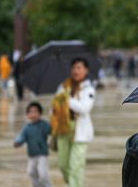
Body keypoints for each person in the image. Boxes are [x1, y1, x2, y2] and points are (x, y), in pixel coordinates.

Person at [51, 57, 95, 187]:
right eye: (74, 68)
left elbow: (84, 108)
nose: (76, 71)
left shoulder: (89, 89)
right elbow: (55, 106)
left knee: (76, 166)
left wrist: (67, 100)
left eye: (79, 68)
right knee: (63, 165)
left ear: (86, 70)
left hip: (80, 134)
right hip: (63, 130)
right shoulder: (63, 87)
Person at [14, 102, 53, 187]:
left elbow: (52, 130)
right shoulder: (27, 128)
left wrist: (53, 118)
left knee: (42, 173)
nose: (33, 114)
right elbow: (21, 136)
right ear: (27, 115)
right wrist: (18, 142)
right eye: (30, 112)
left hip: (42, 154)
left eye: (35, 112)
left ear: (40, 113)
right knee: (31, 172)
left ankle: (48, 185)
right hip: (31, 155)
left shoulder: (44, 125)